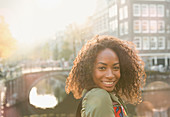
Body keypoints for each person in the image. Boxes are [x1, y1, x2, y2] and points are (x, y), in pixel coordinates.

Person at [65, 35, 146, 117]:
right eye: (102, 68)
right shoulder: (100, 96)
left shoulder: (105, 95)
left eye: (115, 68)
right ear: (90, 70)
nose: (110, 75)